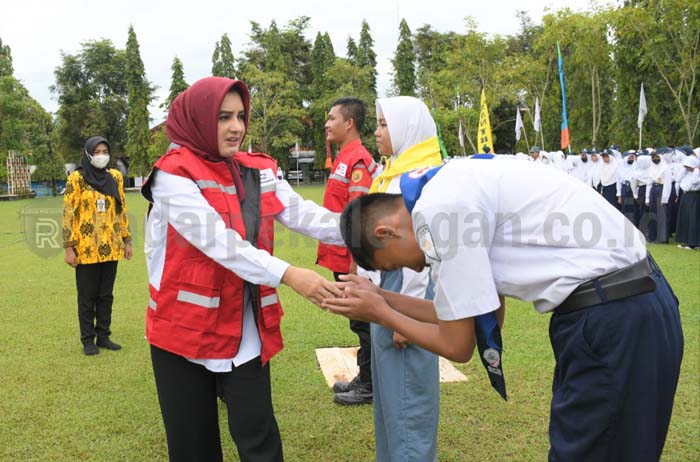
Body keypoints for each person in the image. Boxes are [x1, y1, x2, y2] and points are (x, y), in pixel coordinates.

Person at [325, 158, 683, 462]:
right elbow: (464, 312)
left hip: (614, 317)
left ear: (385, 232)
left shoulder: (439, 213)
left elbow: (457, 345)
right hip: (631, 305)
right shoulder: (448, 184)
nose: (415, 271)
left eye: (391, 267)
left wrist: (380, 312)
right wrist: (382, 299)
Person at [141, 76, 344, 462]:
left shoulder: (258, 169)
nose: (236, 127)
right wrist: (290, 274)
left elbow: (302, 214)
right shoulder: (172, 173)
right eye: (222, 117)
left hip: (243, 329)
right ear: (198, 119)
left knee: (259, 438)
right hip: (182, 332)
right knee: (193, 447)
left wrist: (366, 230)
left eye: (240, 116)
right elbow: (219, 242)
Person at [367, 96, 443, 462]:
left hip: (406, 291)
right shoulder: (395, 172)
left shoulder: (418, 179)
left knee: (408, 405)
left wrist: (408, 320)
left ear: (406, 128)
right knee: (389, 403)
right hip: (387, 289)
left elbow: (422, 257)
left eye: (384, 125)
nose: (378, 132)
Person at [317, 97, 378, 405]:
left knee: (363, 321)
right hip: (341, 255)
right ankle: (365, 378)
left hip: (350, 259)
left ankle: (368, 384)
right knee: (359, 321)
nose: (327, 124)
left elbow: (359, 215)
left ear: (349, 123)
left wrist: (356, 266)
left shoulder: (358, 160)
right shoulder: (345, 156)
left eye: (332, 118)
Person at [62, 136, 132, 356]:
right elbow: (68, 214)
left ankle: (104, 336)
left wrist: (126, 240)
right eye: (97, 151)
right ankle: (87, 340)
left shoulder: (116, 177)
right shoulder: (77, 179)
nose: (102, 155)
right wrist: (68, 247)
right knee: (87, 296)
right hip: (86, 248)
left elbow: (121, 209)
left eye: (105, 151)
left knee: (106, 294)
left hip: (111, 246)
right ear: (89, 154)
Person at [645, 150, 672, 243]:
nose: (655, 159)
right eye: (653, 157)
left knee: (662, 215)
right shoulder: (651, 168)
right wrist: (647, 198)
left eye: (657, 157)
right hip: (653, 190)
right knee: (652, 214)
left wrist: (664, 198)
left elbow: (668, 184)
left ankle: (662, 238)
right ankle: (653, 236)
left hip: (661, 190)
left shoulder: (665, 168)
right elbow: (648, 183)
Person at [675, 155, 700, 249]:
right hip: (685, 196)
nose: (687, 168)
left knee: (693, 219)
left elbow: (694, 181)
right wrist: (685, 169)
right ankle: (685, 240)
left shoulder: (696, 174)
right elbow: (678, 179)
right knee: (685, 218)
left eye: (688, 166)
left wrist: (696, 170)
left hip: (694, 196)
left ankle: (693, 242)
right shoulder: (687, 173)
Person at [617, 150, 639, 226]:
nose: (631, 159)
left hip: (633, 190)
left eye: (632, 157)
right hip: (624, 189)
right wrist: (619, 195)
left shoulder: (636, 167)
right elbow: (618, 182)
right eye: (629, 158)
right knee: (624, 209)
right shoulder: (620, 168)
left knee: (633, 210)